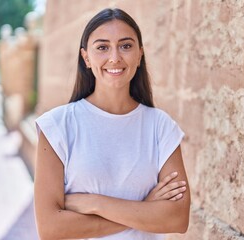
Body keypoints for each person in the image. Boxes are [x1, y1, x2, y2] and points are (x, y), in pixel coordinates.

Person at [34, 8, 191, 240]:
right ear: (86, 57)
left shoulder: (161, 127)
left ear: (139, 55)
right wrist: (144, 209)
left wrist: (95, 203)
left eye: (126, 46)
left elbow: (177, 219)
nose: (115, 57)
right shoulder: (57, 126)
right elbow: (51, 228)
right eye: (102, 47)